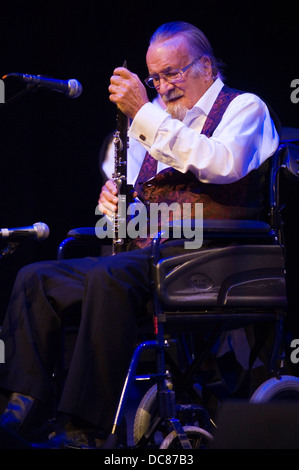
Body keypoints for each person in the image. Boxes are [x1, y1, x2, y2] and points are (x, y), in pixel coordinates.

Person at [0, 21, 279, 448]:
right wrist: (115, 203)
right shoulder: (153, 124)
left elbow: (219, 163)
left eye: (172, 73)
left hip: (213, 255)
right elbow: (130, 205)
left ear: (206, 65)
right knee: (36, 278)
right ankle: (24, 411)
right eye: (156, 78)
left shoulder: (244, 109)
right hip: (151, 256)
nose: (163, 88)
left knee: (107, 276)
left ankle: (88, 429)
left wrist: (143, 112)